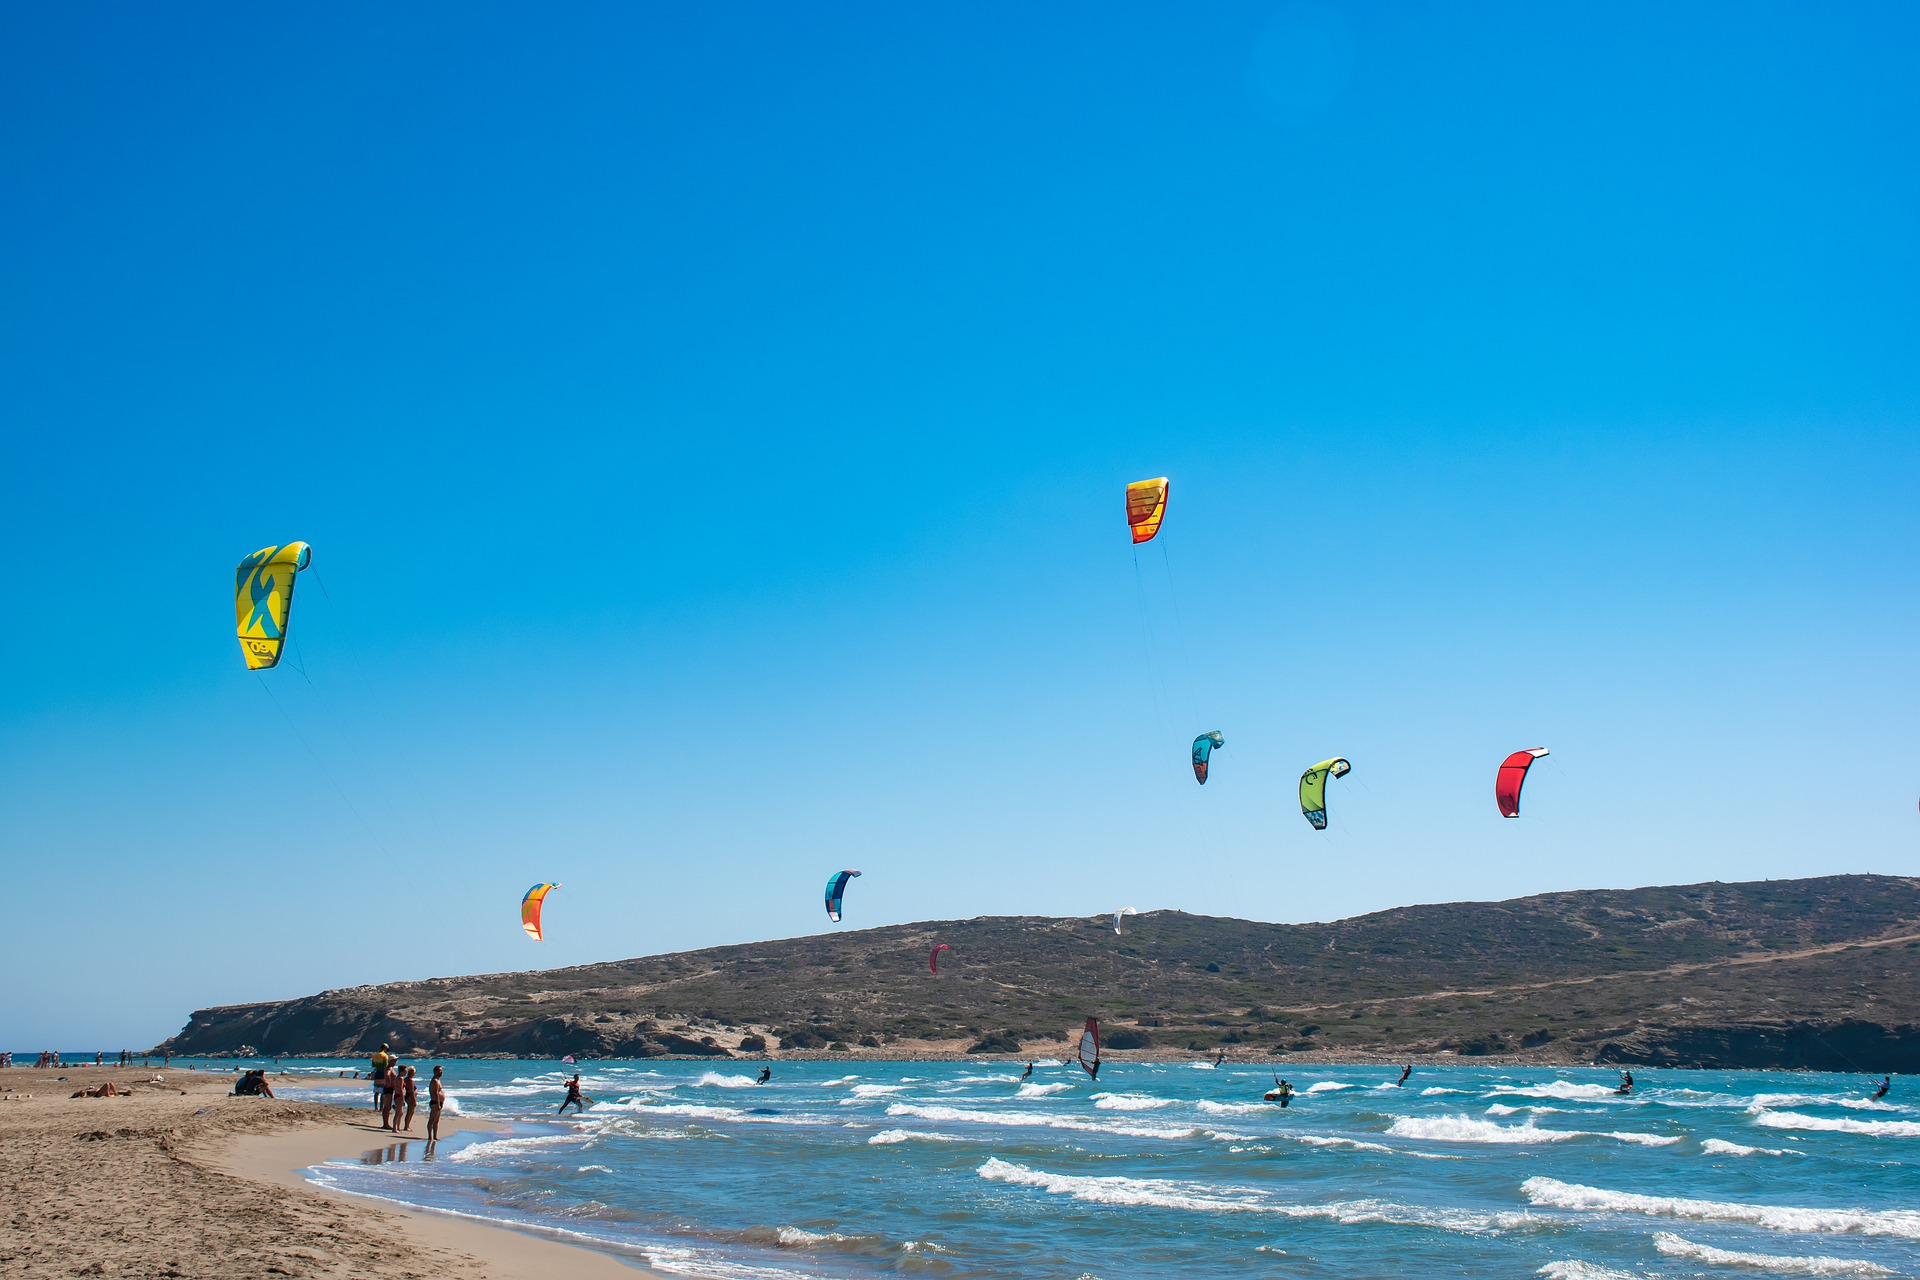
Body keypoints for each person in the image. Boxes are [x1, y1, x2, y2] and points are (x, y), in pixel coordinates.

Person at [426, 1065, 446, 1147]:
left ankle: (435, 1136)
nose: (441, 1072)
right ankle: (430, 1136)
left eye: (441, 1071)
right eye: (439, 1071)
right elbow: (436, 1093)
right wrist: (438, 1104)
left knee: (436, 1121)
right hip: (435, 1102)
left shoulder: (438, 1080)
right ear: (435, 1071)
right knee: (432, 1120)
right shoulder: (434, 1081)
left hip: (439, 1103)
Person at [400, 1066, 419, 1132]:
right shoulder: (410, 1080)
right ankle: (406, 1126)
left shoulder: (406, 1079)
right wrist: (414, 1100)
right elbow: (411, 1091)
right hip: (410, 1096)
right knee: (410, 1111)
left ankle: (407, 1125)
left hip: (408, 1096)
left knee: (410, 1111)